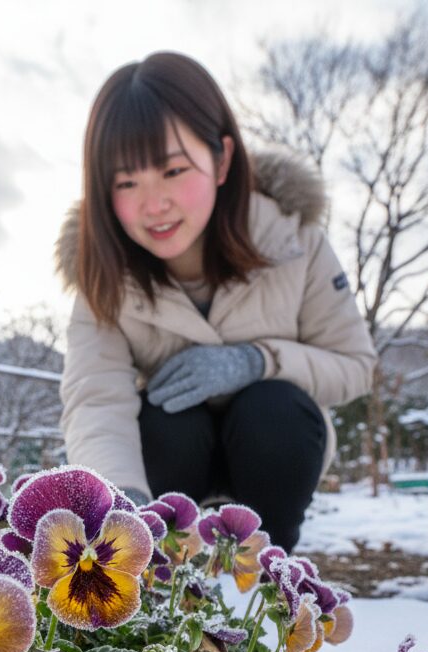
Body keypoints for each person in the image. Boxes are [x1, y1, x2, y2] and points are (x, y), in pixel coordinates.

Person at [55, 52, 376, 552]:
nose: (154, 203)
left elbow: (355, 365)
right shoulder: (102, 270)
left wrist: (256, 360)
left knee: (275, 408)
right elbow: (96, 399)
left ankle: (268, 571)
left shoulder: (292, 237)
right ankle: (167, 569)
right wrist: (126, 508)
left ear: (222, 159)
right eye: (126, 182)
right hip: (175, 460)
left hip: (274, 448)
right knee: (165, 416)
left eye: (173, 170)